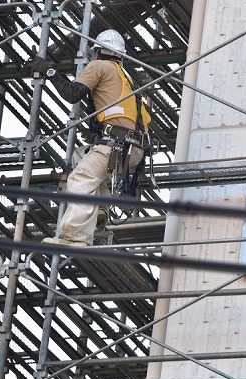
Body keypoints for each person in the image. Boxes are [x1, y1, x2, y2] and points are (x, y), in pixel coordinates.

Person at [31, 29, 151, 246]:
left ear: (97, 52)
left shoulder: (99, 66)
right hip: (133, 151)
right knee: (80, 157)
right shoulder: (126, 77)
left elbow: (72, 93)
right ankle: (101, 209)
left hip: (116, 145)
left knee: (79, 179)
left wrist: (49, 72)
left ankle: (75, 236)